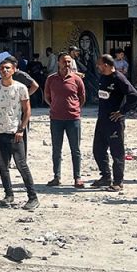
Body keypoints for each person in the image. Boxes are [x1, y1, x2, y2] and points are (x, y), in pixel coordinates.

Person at [0, 58, 35, 209]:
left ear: (14, 70)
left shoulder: (20, 88)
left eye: (7, 68)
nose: (4, 71)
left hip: (14, 132)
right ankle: (8, 194)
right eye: (2, 68)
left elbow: (27, 110)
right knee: (3, 165)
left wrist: (21, 129)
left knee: (21, 165)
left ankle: (32, 197)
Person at [92, 53, 134, 193]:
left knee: (117, 152)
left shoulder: (119, 78)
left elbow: (134, 96)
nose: (97, 66)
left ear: (106, 65)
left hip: (114, 121)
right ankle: (105, 177)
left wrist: (122, 111)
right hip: (102, 119)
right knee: (98, 150)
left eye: (99, 64)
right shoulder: (103, 77)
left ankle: (118, 182)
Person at [44, 53, 86, 188]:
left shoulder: (77, 79)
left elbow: (82, 97)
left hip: (73, 119)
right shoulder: (51, 79)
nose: (67, 64)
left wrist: (74, 108)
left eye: (69, 62)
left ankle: (77, 178)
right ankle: (56, 177)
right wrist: (55, 106)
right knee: (57, 149)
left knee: (75, 149)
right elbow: (47, 97)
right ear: (58, 62)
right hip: (56, 119)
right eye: (64, 61)